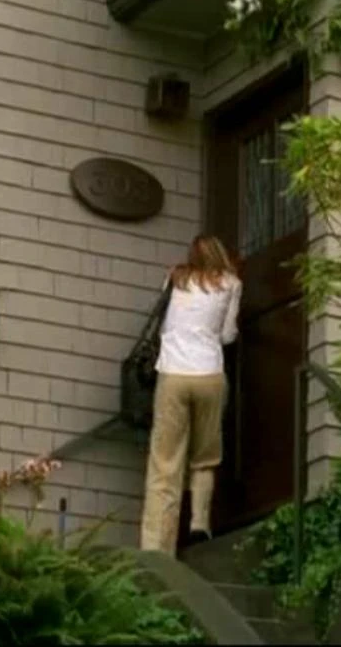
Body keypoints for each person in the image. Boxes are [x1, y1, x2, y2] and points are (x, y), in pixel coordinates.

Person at [139, 234, 242, 556]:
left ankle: (157, 548)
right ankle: (199, 524)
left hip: (173, 375)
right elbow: (227, 335)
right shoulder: (231, 283)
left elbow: (162, 325)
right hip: (209, 373)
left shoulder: (175, 278)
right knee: (205, 455)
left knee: (165, 464)